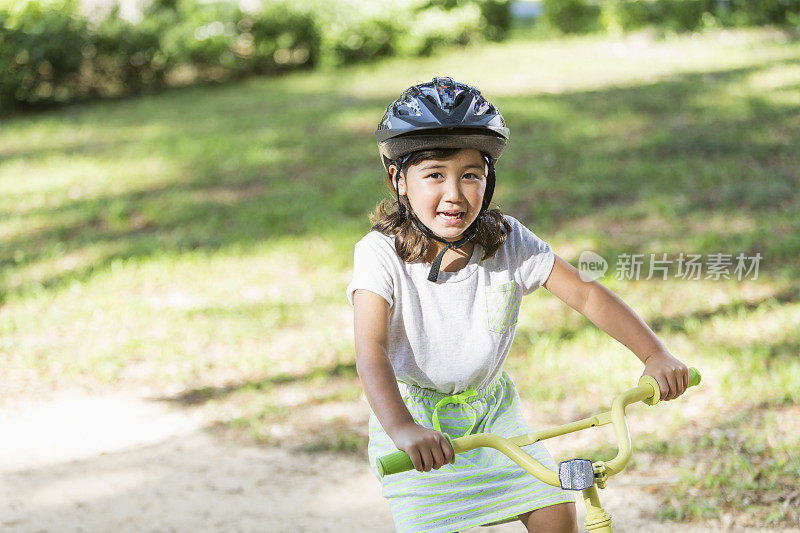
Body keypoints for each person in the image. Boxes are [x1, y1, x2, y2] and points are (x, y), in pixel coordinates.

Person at [346, 77, 689, 533]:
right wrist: (403, 429)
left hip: (493, 413)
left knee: (555, 512)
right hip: (417, 420)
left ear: (488, 180)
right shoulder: (380, 254)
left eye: (471, 174)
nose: (454, 193)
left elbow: (586, 293)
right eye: (434, 175)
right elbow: (370, 350)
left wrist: (654, 354)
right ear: (399, 179)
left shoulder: (506, 240)